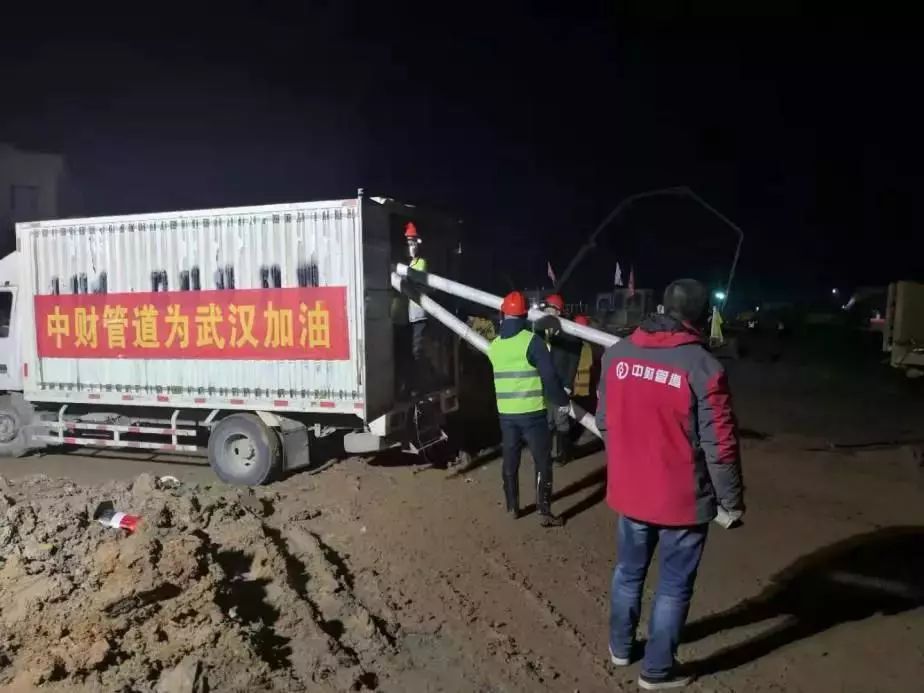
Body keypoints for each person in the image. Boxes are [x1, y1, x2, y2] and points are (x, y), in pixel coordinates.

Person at [596, 278, 744, 690]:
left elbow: (605, 421)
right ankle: (657, 672)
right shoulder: (704, 367)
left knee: (628, 573)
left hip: (630, 493)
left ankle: (620, 648)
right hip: (682, 501)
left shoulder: (617, 354)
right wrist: (731, 501)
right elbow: (721, 446)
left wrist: (629, 464)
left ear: (662, 307)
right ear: (702, 316)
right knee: (673, 587)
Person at [488, 290, 570, 527]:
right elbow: (550, 377)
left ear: (502, 314)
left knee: (510, 460)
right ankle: (543, 511)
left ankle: (512, 507)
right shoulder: (533, 342)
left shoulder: (495, 346)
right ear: (525, 315)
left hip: (506, 415)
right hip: (533, 414)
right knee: (542, 462)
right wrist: (562, 401)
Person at [536, 293, 581, 464]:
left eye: (550, 309)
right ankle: (546, 454)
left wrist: (568, 384)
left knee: (561, 420)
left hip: (561, 383)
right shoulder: (541, 330)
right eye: (546, 309)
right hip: (545, 383)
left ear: (558, 311)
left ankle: (564, 454)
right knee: (547, 421)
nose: (547, 312)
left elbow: (573, 360)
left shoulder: (569, 333)